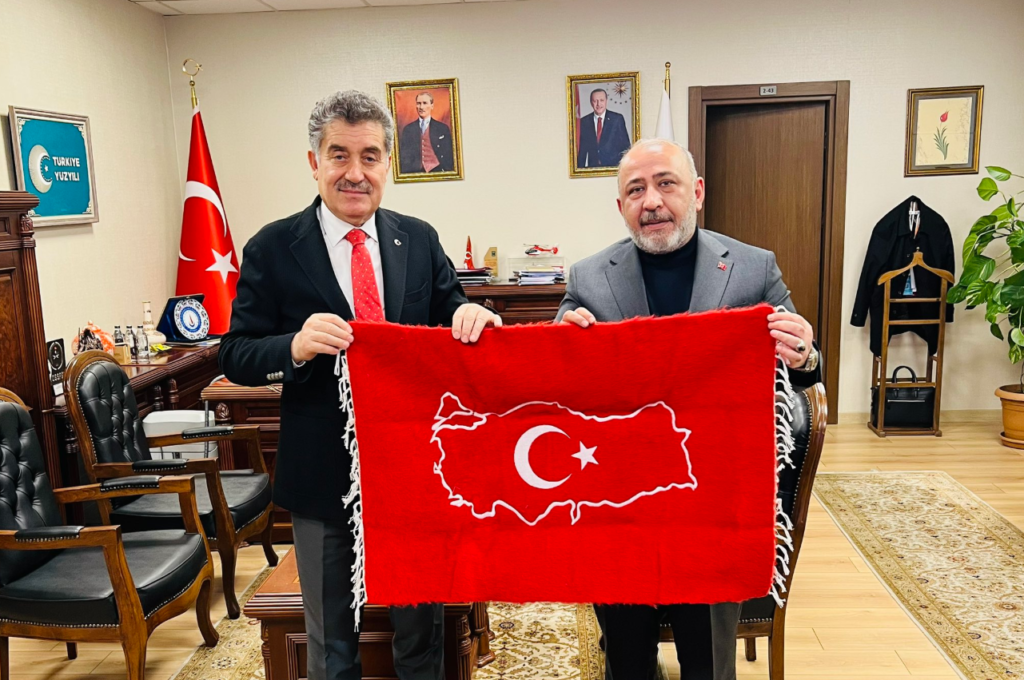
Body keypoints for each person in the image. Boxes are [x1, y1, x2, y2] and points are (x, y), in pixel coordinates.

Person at [220, 90, 500, 680]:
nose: (355, 173)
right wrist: (293, 346)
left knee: (421, 637)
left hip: (414, 472)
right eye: (339, 155)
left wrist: (472, 314)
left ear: (387, 164)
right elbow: (236, 354)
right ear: (314, 162)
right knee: (331, 646)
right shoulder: (272, 246)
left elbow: (451, 309)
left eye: (369, 156)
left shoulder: (417, 238)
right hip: (322, 474)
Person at [556, 138, 821, 680]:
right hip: (620, 503)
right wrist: (562, 342)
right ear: (621, 206)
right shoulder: (588, 277)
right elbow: (559, 381)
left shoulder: (753, 269)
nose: (652, 201)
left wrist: (805, 352)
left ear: (696, 192)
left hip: (713, 504)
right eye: (636, 190)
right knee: (627, 661)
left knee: (708, 663)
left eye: (666, 184)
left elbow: (804, 369)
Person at [398, 92, 454, 174]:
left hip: (437, 170)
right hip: (415, 172)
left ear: (432, 106)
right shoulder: (408, 129)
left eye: (425, 103)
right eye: (418, 103)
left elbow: (449, 156)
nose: (421, 107)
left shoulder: (442, 128)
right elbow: (404, 157)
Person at [576, 88, 632, 169]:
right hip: (593, 169)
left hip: (613, 168)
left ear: (606, 101)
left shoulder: (617, 119)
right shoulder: (584, 122)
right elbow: (582, 151)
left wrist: (624, 168)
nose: (598, 104)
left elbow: (626, 147)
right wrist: (580, 171)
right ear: (591, 103)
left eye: (601, 100)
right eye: (595, 101)